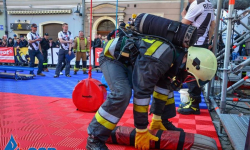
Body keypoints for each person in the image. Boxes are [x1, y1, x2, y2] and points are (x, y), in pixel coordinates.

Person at [86, 34, 217, 149]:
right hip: (113, 57)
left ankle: (162, 122)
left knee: (167, 87)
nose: (187, 80)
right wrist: (141, 130)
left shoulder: (175, 57)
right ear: (191, 65)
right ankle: (94, 139)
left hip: (130, 60)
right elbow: (142, 93)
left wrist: (157, 119)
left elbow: (162, 88)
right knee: (122, 93)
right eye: (191, 77)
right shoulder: (159, 59)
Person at [177, 0, 216, 115]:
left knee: (191, 74)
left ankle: (194, 105)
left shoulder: (196, 5)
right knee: (195, 73)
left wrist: (184, 16)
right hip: (202, 43)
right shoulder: (208, 3)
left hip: (194, 44)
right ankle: (193, 102)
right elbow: (212, 25)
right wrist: (207, 40)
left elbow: (183, 25)